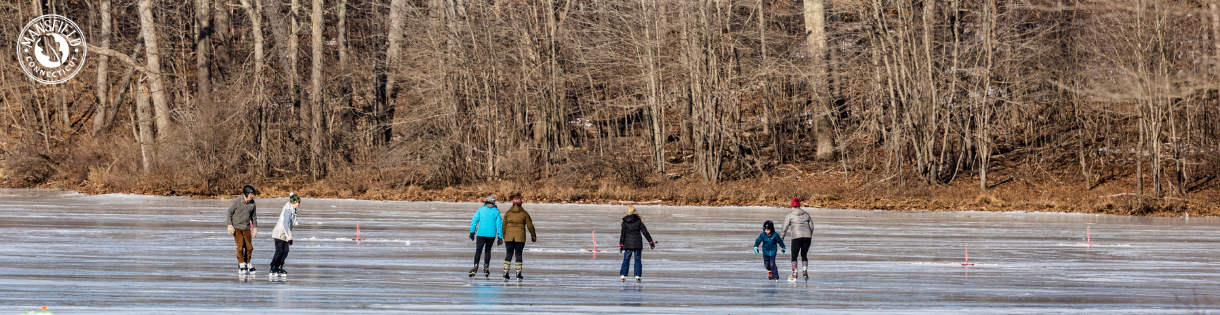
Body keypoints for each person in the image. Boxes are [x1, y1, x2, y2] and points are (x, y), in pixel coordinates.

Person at [500, 195, 536, 280]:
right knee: (518, 254)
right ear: (520, 203)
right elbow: (530, 225)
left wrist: (505, 236)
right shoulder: (524, 213)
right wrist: (533, 235)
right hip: (520, 238)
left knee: (508, 254)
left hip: (509, 238)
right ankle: (518, 273)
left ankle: (505, 272)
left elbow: (504, 226)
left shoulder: (508, 213)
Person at [227, 185, 259, 275]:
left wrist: (255, 228)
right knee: (240, 246)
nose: (252, 196)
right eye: (250, 194)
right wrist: (229, 225)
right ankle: (241, 263)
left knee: (249, 247)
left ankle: (247, 263)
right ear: (245, 194)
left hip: (246, 228)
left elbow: (254, 216)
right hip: (237, 227)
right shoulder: (237, 201)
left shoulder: (253, 203)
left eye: (253, 194)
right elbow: (229, 212)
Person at [468, 195, 503, 278]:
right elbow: (499, 225)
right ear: (494, 202)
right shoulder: (496, 212)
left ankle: (475, 267)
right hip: (491, 234)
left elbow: (474, 220)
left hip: (481, 233)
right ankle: (486, 268)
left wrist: (472, 232)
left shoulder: (481, 210)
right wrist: (500, 237)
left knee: (478, 250)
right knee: (488, 251)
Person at [781, 197, 815, 281]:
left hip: (796, 237)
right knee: (804, 255)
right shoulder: (806, 214)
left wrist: (781, 239)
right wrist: (809, 235)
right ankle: (804, 271)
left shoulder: (790, 215)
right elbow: (812, 226)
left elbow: (784, 228)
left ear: (792, 206)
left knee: (794, 255)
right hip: (807, 237)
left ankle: (794, 273)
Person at [618, 206, 655, 284]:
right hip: (637, 243)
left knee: (626, 259)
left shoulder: (625, 221)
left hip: (628, 244)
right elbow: (645, 232)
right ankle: (637, 276)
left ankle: (623, 275)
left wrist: (621, 244)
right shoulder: (638, 220)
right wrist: (650, 242)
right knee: (637, 260)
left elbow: (623, 234)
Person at [270, 193, 301, 277]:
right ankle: (273, 266)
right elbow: (285, 224)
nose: (299, 204)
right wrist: (289, 237)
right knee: (279, 251)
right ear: (294, 202)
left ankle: (279, 266)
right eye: (298, 202)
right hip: (279, 233)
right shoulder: (287, 210)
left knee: (285, 251)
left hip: (285, 234)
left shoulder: (293, 210)